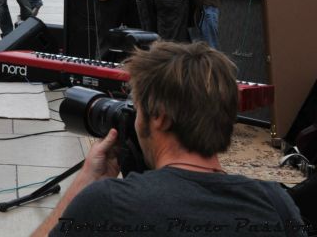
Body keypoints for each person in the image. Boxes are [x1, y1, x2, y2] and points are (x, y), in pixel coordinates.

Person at [34, 42, 306, 236]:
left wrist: (84, 182)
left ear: (160, 117)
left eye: (137, 108)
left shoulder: (107, 204)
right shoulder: (276, 204)